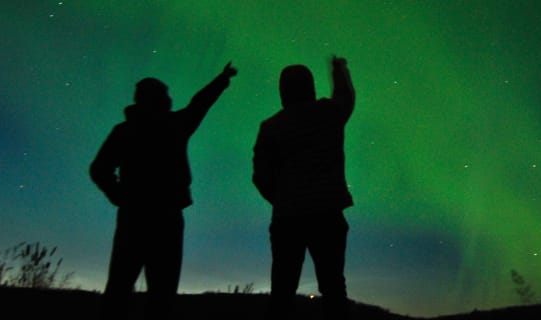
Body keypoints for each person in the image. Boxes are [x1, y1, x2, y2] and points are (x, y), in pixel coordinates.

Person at [90, 61, 237, 319]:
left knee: (120, 289)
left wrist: (119, 196)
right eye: (165, 95)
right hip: (164, 218)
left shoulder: (126, 131)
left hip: (134, 217)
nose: (169, 99)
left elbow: (99, 169)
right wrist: (222, 80)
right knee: (160, 294)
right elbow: (199, 103)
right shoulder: (173, 126)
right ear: (158, 99)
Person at [252, 55, 355, 319]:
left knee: (283, 291)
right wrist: (339, 70)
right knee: (333, 288)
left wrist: (282, 200)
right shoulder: (329, 114)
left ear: (282, 90)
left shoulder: (271, 127)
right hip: (327, 214)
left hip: (287, 218)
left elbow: (261, 176)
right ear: (310, 86)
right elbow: (346, 97)